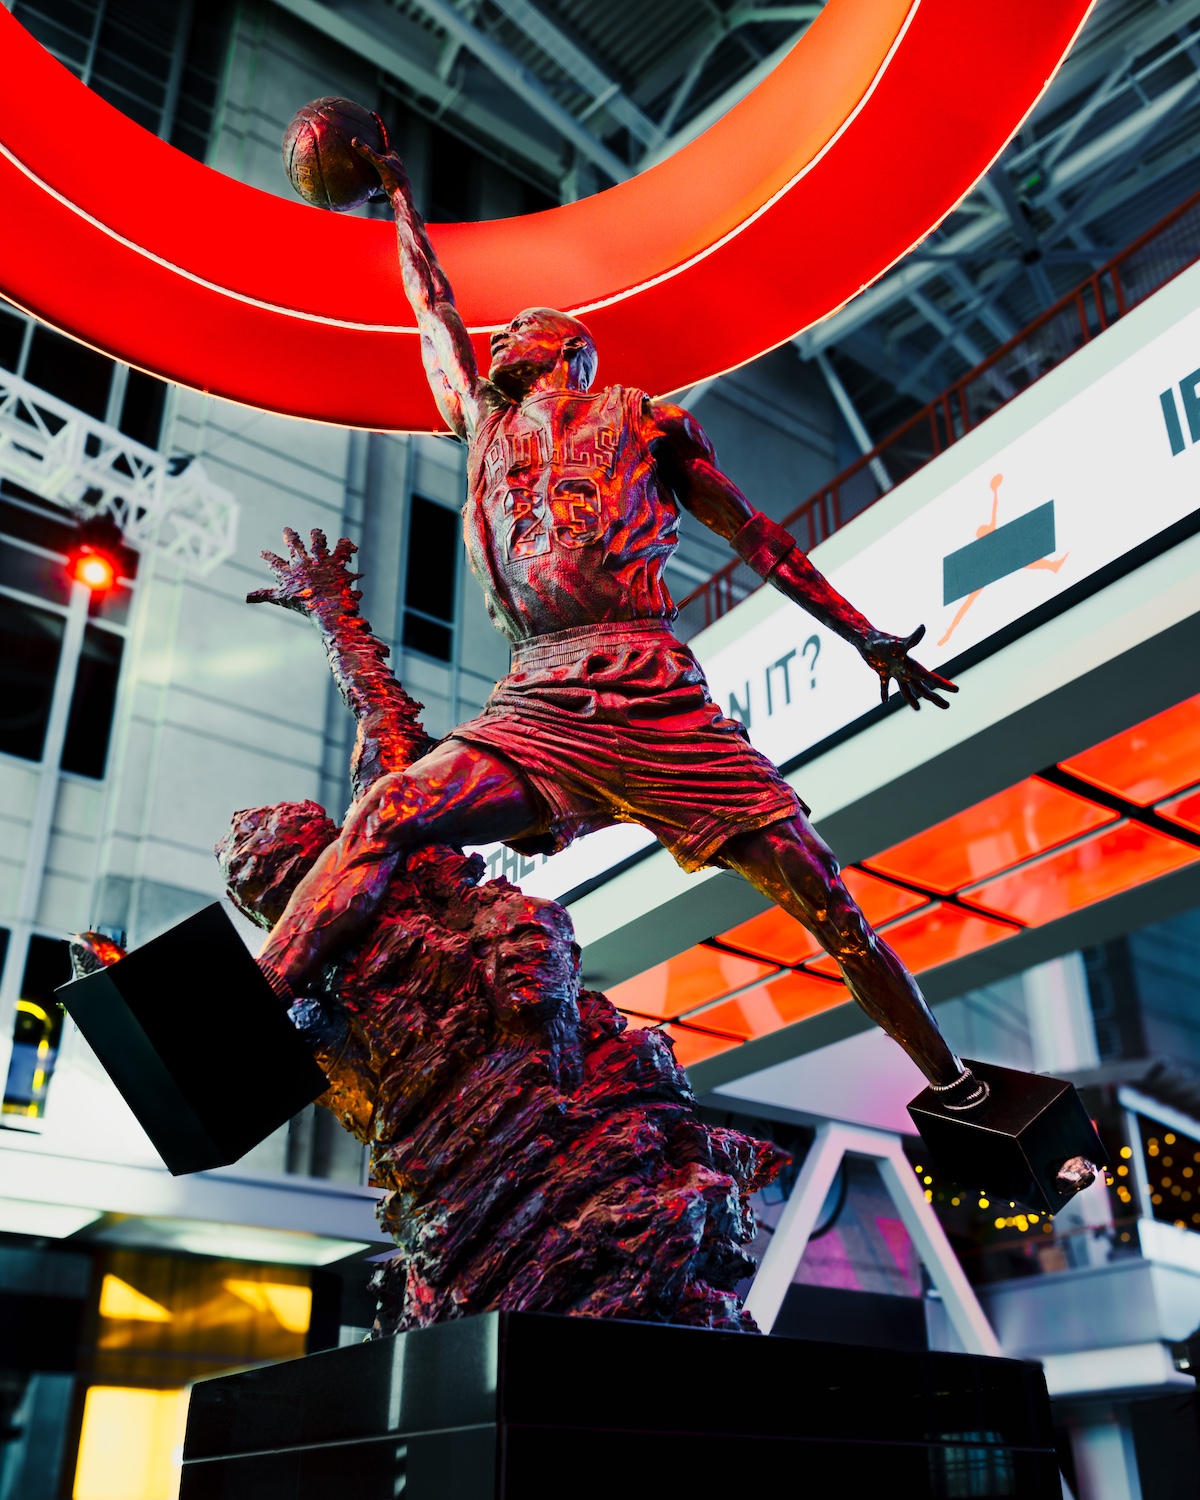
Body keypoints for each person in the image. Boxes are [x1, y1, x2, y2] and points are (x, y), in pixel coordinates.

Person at [257, 117, 984, 1107]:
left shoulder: (644, 418)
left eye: (528, 325)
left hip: (653, 692)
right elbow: (433, 307)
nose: (506, 332)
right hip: (539, 699)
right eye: (502, 328)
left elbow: (757, 537)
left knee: (823, 898)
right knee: (387, 808)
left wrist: (865, 638)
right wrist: (396, 199)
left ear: (572, 351)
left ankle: (957, 1087)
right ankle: (250, 1022)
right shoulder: (484, 425)